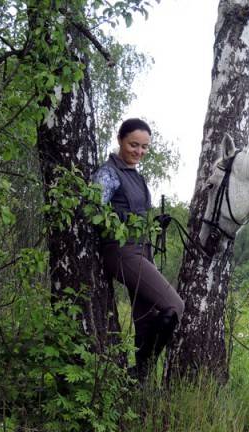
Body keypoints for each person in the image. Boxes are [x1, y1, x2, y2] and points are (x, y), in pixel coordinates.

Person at [93, 118, 184, 381]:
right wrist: (123, 225)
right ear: (120, 139)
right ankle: (141, 370)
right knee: (174, 304)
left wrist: (155, 226)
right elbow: (93, 209)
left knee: (147, 319)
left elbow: (133, 214)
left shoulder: (137, 176)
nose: (139, 152)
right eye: (134, 145)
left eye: (144, 147)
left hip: (142, 251)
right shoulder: (108, 173)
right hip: (121, 252)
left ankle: (137, 382)